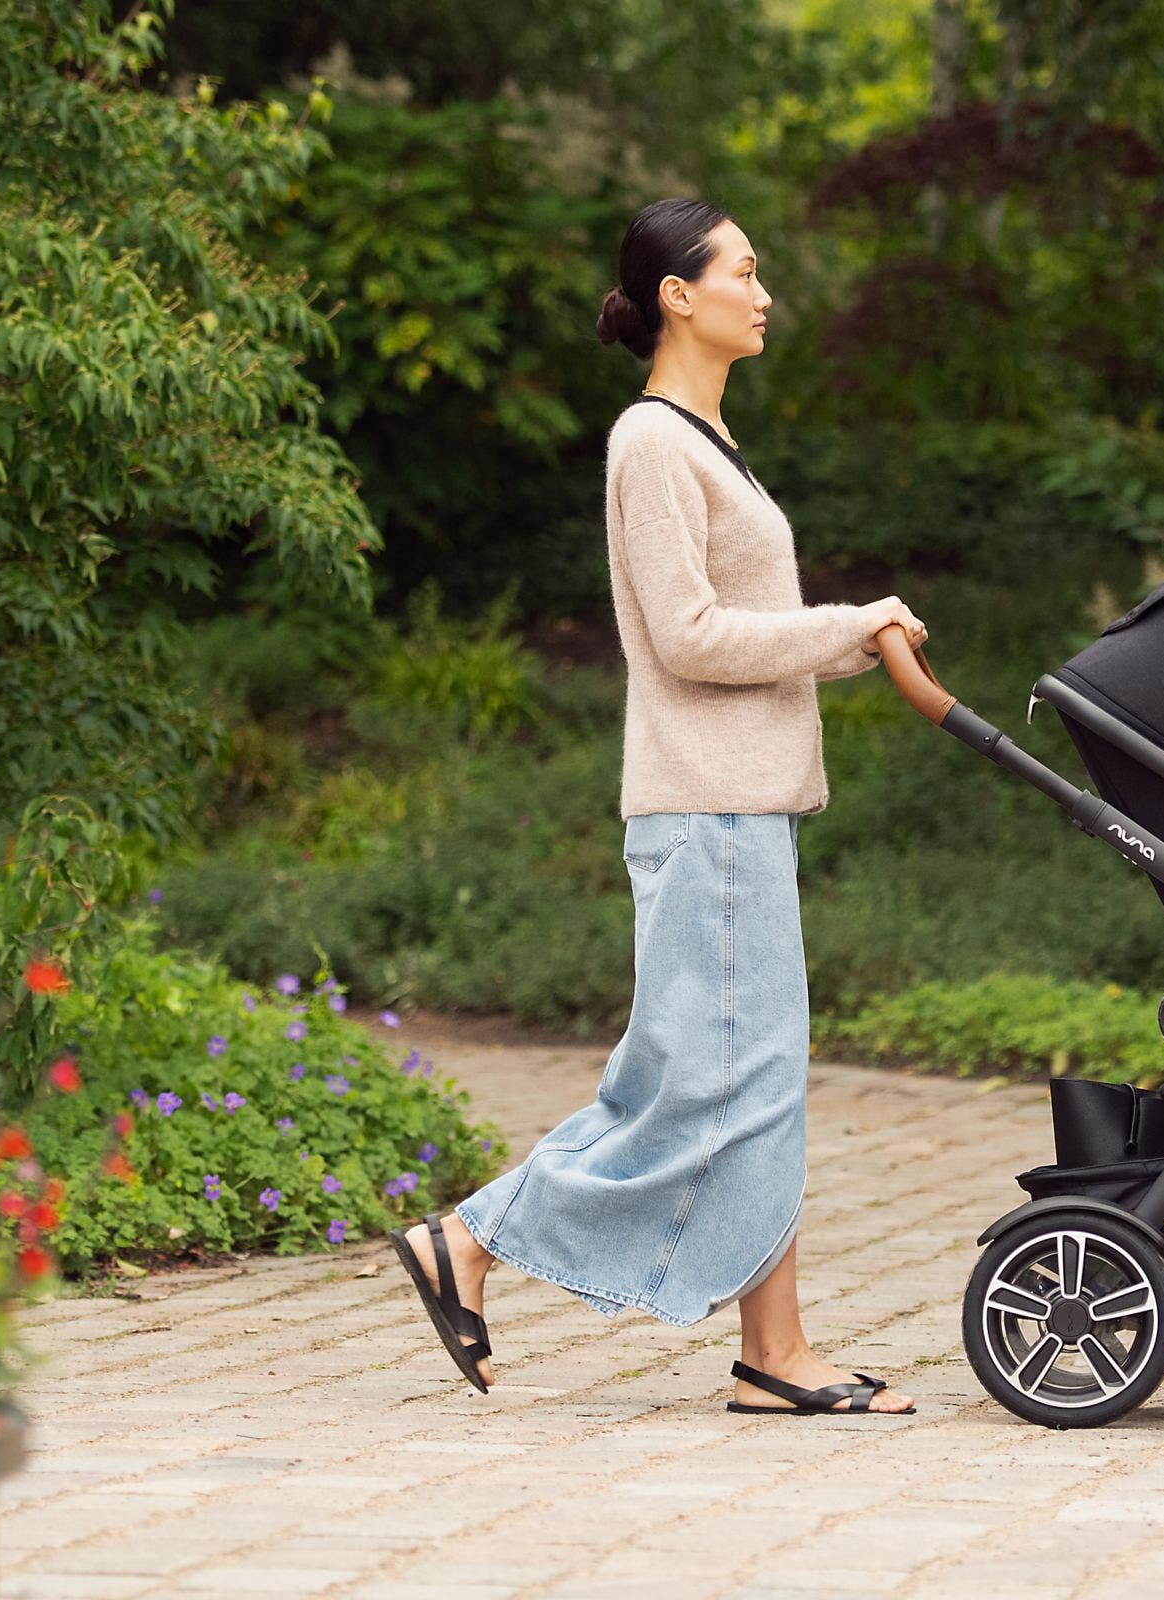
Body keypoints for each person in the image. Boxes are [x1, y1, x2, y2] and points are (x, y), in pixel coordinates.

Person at [393, 198, 924, 1418]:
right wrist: (852, 627)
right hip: (708, 812)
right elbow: (686, 638)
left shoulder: (704, 441)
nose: (763, 291)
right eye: (742, 271)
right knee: (696, 1084)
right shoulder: (653, 444)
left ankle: (770, 1350)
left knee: (752, 1078)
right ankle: (471, 1241)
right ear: (677, 295)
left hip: (739, 810)